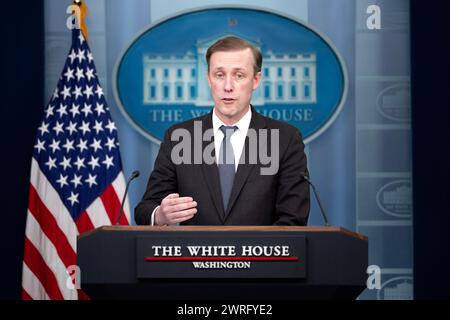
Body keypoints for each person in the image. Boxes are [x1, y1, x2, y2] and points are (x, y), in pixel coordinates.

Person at [135, 36, 310, 226]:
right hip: (194, 255)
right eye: (219, 75)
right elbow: (145, 209)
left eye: (239, 75)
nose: (228, 87)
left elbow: (293, 220)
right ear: (209, 79)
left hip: (259, 255)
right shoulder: (178, 137)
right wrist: (160, 215)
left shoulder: (285, 139)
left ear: (256, 80)